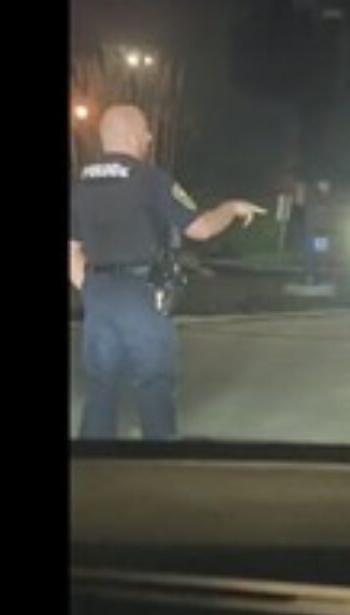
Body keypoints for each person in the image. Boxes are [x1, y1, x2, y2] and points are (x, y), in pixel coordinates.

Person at [69, 104, 265, 440]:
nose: (149, 137)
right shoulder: (150, 180)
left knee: (100, 387)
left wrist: (91, 289)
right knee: (154, 385)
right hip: (142, 294)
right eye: (145, 131)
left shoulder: (79, 186)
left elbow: (71, 251)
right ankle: (159, 458)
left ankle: (95, 465)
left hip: (98, 296)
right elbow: (201, 228)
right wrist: (230, 208)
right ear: (132, 135)